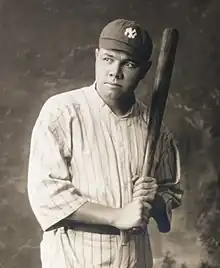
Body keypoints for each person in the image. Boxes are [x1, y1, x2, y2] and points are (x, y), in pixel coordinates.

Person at [28, 19, 183, 268]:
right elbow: (47, 195)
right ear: (97, 56)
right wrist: (117, 216)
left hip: (136, 256)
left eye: (129, 64)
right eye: (109, 59)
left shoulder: (157, 130)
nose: (115, 71)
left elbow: (166, 213)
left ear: (144, 70)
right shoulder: (62, 112)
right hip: (75, 257)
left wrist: (153, 199)